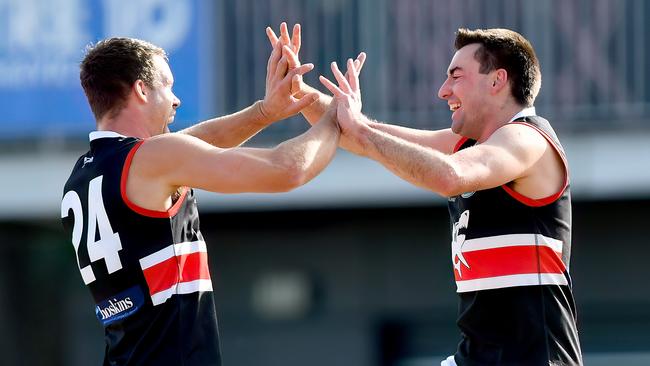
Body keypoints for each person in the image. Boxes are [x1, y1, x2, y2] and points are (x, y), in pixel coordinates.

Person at [271, 25, 583, 365]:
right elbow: (363, 136)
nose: (442, 90)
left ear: (496, 81)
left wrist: (361, 130)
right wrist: (298, 91)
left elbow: (450, 176)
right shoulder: (471, 145)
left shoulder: (526, 139)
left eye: (456, 76)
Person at [60, 33, 355, 365]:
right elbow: (287, 169)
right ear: (142, 90)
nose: (176, 100)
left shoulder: (82, 177)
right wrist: (337, 118)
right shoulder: (154, 159)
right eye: (167, 86)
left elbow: (194, 143)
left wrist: (265, 111)